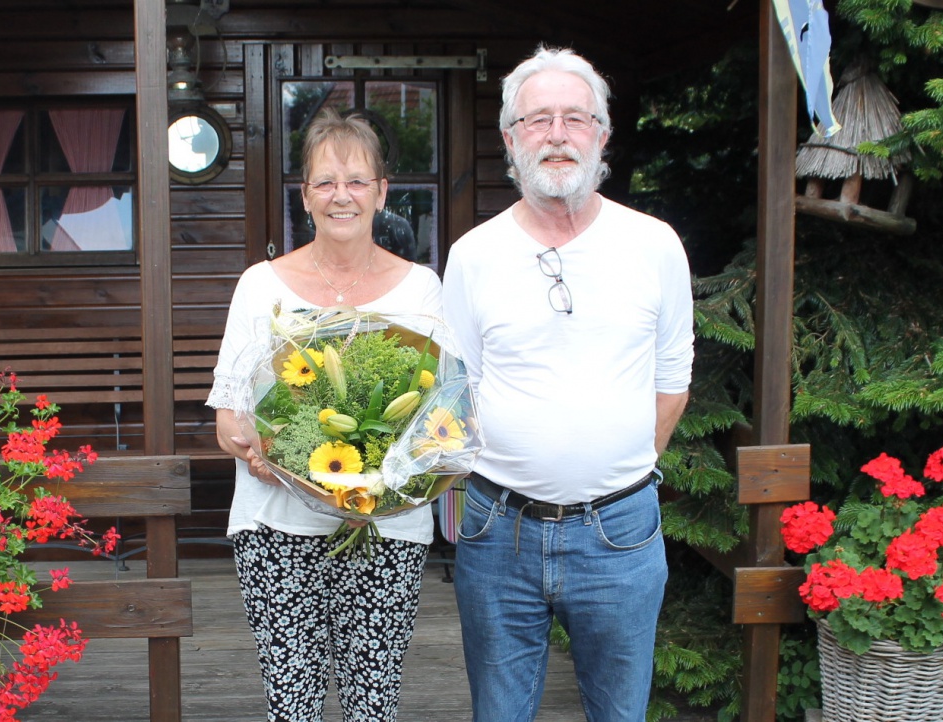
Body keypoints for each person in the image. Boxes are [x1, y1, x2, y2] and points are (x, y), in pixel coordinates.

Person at [441, 46, 694, 722]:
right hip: (497, 530)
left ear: (602, 136)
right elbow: (458, 389)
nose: (557, 134)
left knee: (619, 714)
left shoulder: (654, 246)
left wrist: (609, 474)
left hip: (621, 532)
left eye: (575, 118)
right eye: (538, 119)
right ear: (510, 139)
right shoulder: (473, 256)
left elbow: (673, 380)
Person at [207, 108, 438, 722]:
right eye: (326, 182)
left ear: (381, 193)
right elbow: (229, 419)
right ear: (305, 195)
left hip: (384, 530)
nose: (342, 196)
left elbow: (440, 415)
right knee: (293, 707)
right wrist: (263, 452)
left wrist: (388, 475)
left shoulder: (421, 289)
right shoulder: (261, 286)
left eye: (357, 181)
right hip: (275, 526)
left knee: (373, 706)